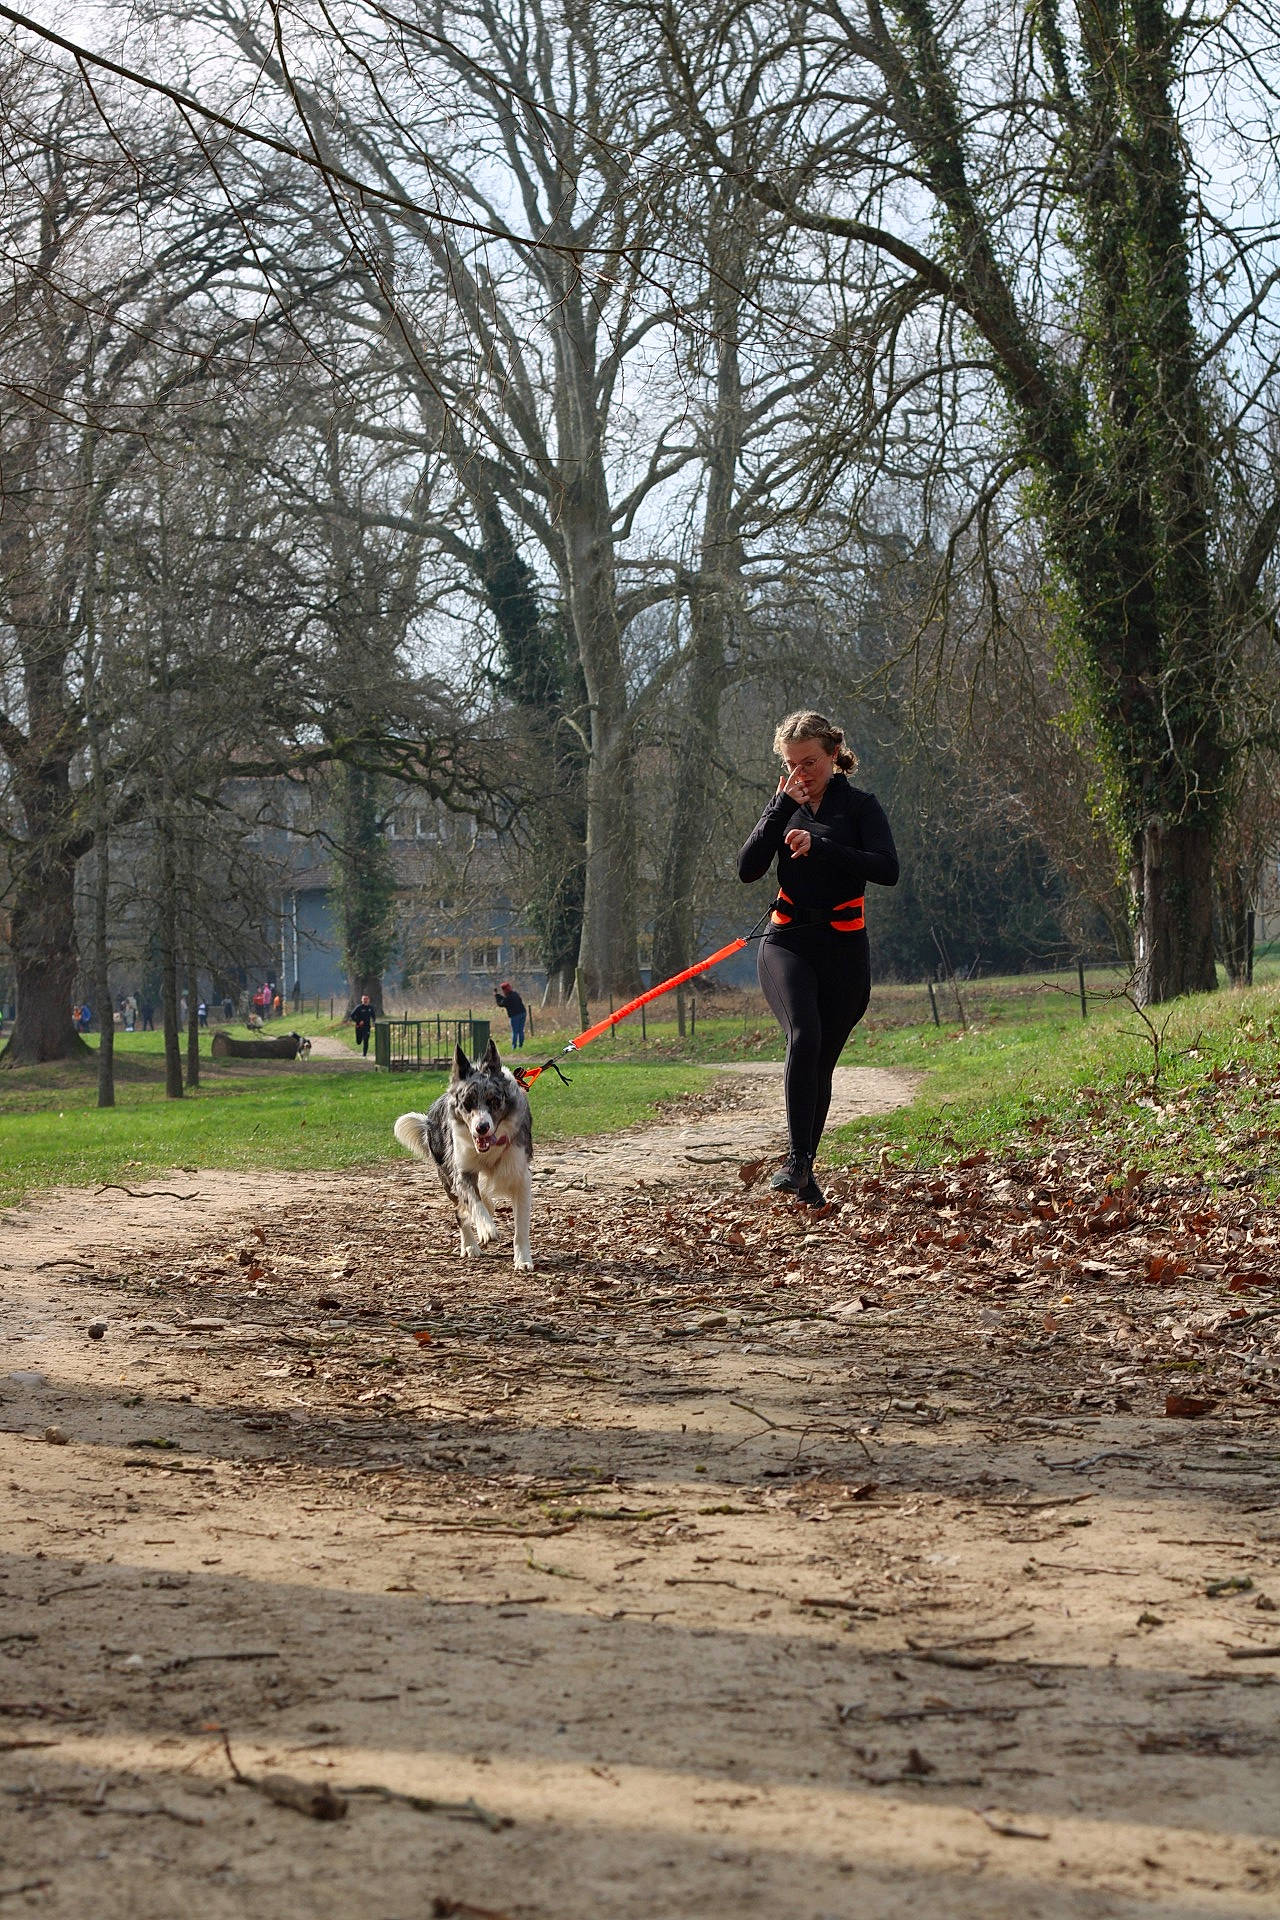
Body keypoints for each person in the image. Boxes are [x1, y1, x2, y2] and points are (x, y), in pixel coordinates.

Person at [738, 710, 899, 1206]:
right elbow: (747, 869)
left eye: (809, 762)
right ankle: (795, 1160)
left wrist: (821, 845)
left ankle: (805, 1169)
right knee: (804, 1037)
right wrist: (778, 810)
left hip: (845, 948)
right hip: (786, 942)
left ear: (833, 755)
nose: (801, 773)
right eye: (791, 764)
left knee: (821, 1062)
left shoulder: (861, 807)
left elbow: (887, 869)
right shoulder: (783, 805)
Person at [494, 980, 526, 1048]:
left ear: (504, 990)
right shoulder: (515, 994)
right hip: (523, 1013)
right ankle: (521, 1045)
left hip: (515, 1016)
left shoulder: (508, 998)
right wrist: (498, 996)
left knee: (515, 1031)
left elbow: (501, 1004)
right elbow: (505, 999)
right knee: (521, 1030)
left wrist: (496, 996)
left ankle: (514, 1046)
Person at [348, 992, 376, 1057]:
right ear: (362, 1000)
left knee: (366, 1040)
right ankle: (359, 1040)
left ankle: (364, 1054)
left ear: (369, 1000)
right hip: (359, 1027)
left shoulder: (370, 1008)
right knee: (359, 1042)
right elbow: (352, 1015)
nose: (365, 1000)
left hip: (367, 1027)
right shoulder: (359, 1007)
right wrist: (358, 1021)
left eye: (366, 999)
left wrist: (373, 1023)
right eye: (364, 999)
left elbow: (373, 1016)